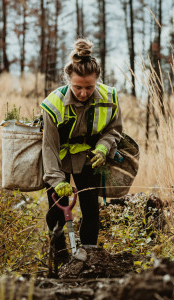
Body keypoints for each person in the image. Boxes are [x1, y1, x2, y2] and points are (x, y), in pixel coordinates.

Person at [40, 38, 123, 264]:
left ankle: (89, 258)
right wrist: (57, 181)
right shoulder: (53, 104)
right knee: (56, 212)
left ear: (97, 80)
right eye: (78, 87)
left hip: (89, 159)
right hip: (59, 160)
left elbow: (115, 131)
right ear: (68, 80)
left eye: (89, 87)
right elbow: (48, 147)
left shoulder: (110, 98)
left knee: (90, 209)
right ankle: (59, 260)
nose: (84, 93)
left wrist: (104, 148)